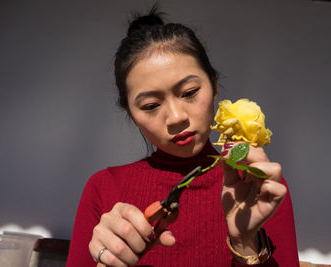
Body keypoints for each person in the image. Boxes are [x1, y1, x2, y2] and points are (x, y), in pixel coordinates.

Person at [67, 6, 299, 267]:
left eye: (189, 92)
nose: (176, 117)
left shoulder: (259, 187)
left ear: (213, 85)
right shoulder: (104, 188)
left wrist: (245, 241)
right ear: (131, 113)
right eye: (151, 105)